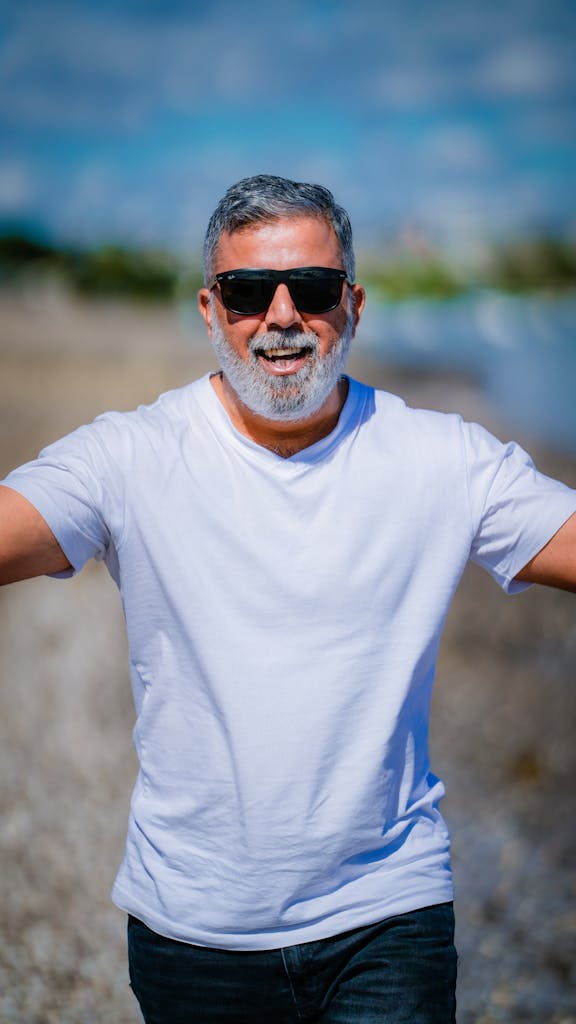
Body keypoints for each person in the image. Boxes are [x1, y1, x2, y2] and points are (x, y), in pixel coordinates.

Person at [0, 174, 575, 1024]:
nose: (279, 315)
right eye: (245, 292)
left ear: (353, 304)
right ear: (209, 310)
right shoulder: (131, 458)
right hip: (191, 929)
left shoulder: (442, 459)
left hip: (390, 917)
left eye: (310, 288)